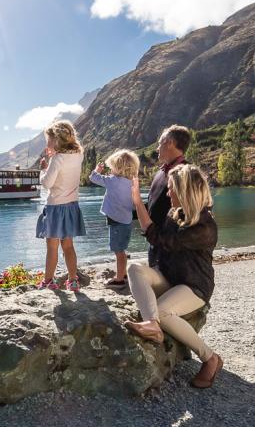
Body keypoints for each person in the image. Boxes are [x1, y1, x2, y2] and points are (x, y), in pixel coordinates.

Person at [125, 164, 222, 388]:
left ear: (184, 190)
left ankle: (210, 358)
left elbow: (161, 240)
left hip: (194, 286)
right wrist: (136, 202)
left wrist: (139, 204)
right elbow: (156, 238)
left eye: (171, 189)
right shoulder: (174, 213)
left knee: (163, 310)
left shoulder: (205, 227)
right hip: (170, 278)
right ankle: (152, 325)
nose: (168, 193)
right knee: (134, 269)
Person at [35, 120, 85, 291]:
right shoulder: (79, 155)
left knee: (52, 247)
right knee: (69, 246)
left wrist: (43, 169)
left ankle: (49, 280)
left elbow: (48, 183)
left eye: (48, 140)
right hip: (71, 206)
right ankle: (73, 280)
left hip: (56, 207)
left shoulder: (57, 159)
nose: (47, 144)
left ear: (55, 141)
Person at [89, 149, 139, 287]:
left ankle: (119, 279)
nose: (110, 170)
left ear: (118, 168)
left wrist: (97, 170)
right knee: (122, 250)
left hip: (116, 221)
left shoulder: (112, 181)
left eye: (111, 167)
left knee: (118, 251)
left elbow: (93, 178)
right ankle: (122, 274)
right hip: (127, 220)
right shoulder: (132, 183)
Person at [144, 125, 190, 268]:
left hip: (173, 248)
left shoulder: (186, 173)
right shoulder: (161, 172)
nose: (157, 148)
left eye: (159, 143)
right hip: (155, 243)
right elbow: (153, 204)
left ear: (169, 143)